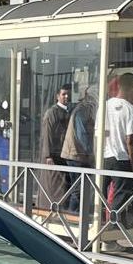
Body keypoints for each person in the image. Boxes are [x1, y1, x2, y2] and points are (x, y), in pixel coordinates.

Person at [101, 73, 133, 240]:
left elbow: (100, 134)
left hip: (105, 156)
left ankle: (103, 229)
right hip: (121, 158)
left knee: (103, 194)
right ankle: (109, 232)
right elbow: (130, 140)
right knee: (122, 195)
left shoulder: (105, 106)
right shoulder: (130, 109)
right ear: (132, 87)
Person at [39, 85, 73, 213]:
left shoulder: (69, 111)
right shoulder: (52, 113)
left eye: (68, 94)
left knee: (62, 186)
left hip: (63, 154)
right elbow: (47, 134)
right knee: (53, 186)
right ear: (57, 96)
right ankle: (49, 211)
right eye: (64, 94)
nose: (66, 97)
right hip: (54, 155)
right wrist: (48, 155)